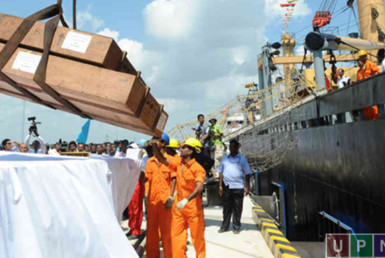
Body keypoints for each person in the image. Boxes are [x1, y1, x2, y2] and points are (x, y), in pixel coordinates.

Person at [170, 138, 206, 258]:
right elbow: (165, 160)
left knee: (198, 239)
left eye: (184, 147)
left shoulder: (198, 168)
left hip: (193, 209)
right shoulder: (179, 163)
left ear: (190, 151)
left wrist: (186, 200)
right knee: (176, 237)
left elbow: (199, 187)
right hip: (179, 208)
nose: (181, 148)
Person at [145, 133, 175, 258]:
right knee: (151, 232)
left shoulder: (170, 161)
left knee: (167, 231)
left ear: (163, 143)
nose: (153, 142)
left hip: (165, 201)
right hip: (152, 201)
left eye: (155, 140)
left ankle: (170, 255)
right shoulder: (150, 162)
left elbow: (174, 179)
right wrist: (146, 196)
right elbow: (147, 180)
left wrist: (171, 196)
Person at [218, 139, 252, 234]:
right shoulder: (224, 159)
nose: (232, 148)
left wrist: (247, 186)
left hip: (238, 187)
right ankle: (224, 226)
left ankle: (236, 227)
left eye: (234, 146)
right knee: (226, 208)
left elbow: (247, 173)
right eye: (230, 146)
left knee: (237, 208)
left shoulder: (242, 160)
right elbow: (220, 172)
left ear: (238, 147)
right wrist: (220, 186)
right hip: (227, 186)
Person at [126, 144, 148, 240]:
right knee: (131, 208)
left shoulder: (140, 161)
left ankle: (136, 230)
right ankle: (132, 228)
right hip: (130, 184)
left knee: (136, 209)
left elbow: (143, 176)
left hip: (137, 184)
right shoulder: (128, 161)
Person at [356, 50, 381, 120]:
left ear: (365, 56)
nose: (361, 58)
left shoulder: (370, 64)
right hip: (364, 91)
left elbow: (378, 72)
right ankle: (369, 121)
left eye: (362, 57)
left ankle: (375, 120)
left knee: (373, 107)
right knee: (366, 108)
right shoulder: (363, 67)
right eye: (360, 57)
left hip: (371, 90)